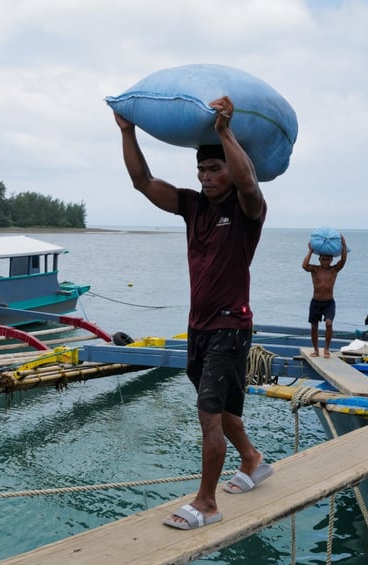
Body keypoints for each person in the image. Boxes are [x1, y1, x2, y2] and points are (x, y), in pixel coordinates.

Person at [114, 96, 272, 531]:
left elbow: (251, 188)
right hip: (199, 327)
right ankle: (253, 459)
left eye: (214, 169)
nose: (205, 177)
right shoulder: (193, 205)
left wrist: (224, 132)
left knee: (208, 415)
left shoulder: (247, 211)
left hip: (229, 325)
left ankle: (206, 503)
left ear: (232, 169)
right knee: (221, 412)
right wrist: (127, 131)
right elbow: (142, 180)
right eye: (201, 170)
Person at [302, 236, 348, 357]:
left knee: (328, 323)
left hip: (328, 302)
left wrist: (343, 245)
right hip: (315, 302)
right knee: (314, 326)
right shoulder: (315, 269)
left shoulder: (334, 270)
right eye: (323, 259)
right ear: (320, 259)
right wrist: (310, 251)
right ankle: (316, 350)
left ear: (331, 260)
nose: (325, 262)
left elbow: (343, 261)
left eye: (327, 259)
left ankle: (326, 349)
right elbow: (304, 265)